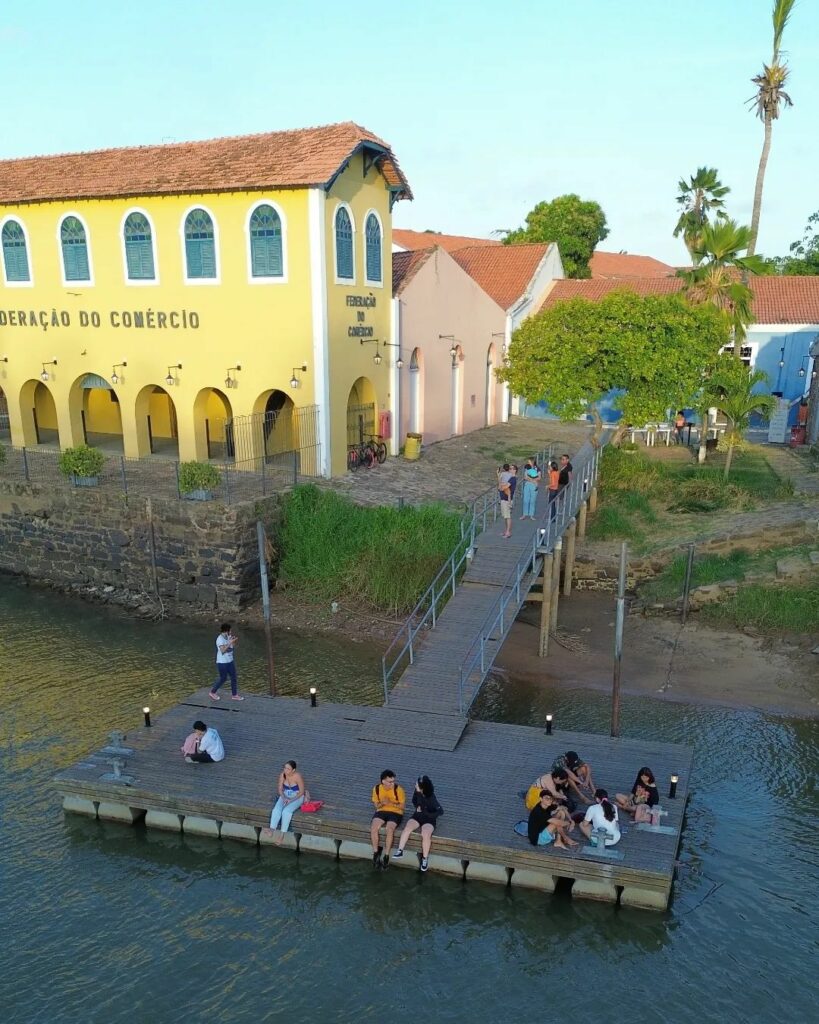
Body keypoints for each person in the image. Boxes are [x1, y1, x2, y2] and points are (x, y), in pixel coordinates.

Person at [392, 775, 443, 872]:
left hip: (429, 819)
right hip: (417, 816)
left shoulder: (431, 798)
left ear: (422, 787)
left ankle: (425, 859)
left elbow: (440, 811)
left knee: (425, 833)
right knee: (407, 828)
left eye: (417, 784)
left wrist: (428, 813)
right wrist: (417, 807)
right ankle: (400, 850)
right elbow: (414, 800)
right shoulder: (417, 792)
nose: (415, 785)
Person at [370, 769, 406, 869]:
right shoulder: (376, 789)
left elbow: (403, 807)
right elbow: (377, 806)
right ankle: (376, 852)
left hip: (395, 812)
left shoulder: (398, 790)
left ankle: (386, 855)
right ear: (383, 781)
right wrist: (383, 803)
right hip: (381, 810)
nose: (392, 783)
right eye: (390, 781)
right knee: (374, 828)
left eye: (393, 781)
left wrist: (392, 803)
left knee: (389, 829)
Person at [263, 760, 306, 843]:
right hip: (285, 795)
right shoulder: (282, 775)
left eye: (288, 769)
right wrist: (283, 797)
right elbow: (280, 789)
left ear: (293, 770)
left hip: (297, 797)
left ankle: (281, 836)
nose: (285, 770)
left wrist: (291, 800)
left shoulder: (297, 776)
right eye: (285, 768)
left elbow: (301, 792)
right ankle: (271, 830)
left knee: (286, 811)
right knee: (276, 809)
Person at [209, 623, 243, 701]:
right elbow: (223, 650)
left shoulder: (228, 637)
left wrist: (233, 641)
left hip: (230, 661)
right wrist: (229, 642)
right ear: (226, 631)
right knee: (223, 678)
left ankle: (234, 695)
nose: (231, 632)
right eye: (230, 630)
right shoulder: (219, 639)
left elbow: (232, 647)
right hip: (222, 663)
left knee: (234, 677)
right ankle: (212, 692)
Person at [497, 463, 513, 539]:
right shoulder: (510, 475)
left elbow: (499, 482)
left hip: (506, 497)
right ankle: (506, 530)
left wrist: (498, 474)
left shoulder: (502, 474)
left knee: (507, 516)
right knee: (505, 516)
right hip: (505, 497)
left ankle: (508, 532)